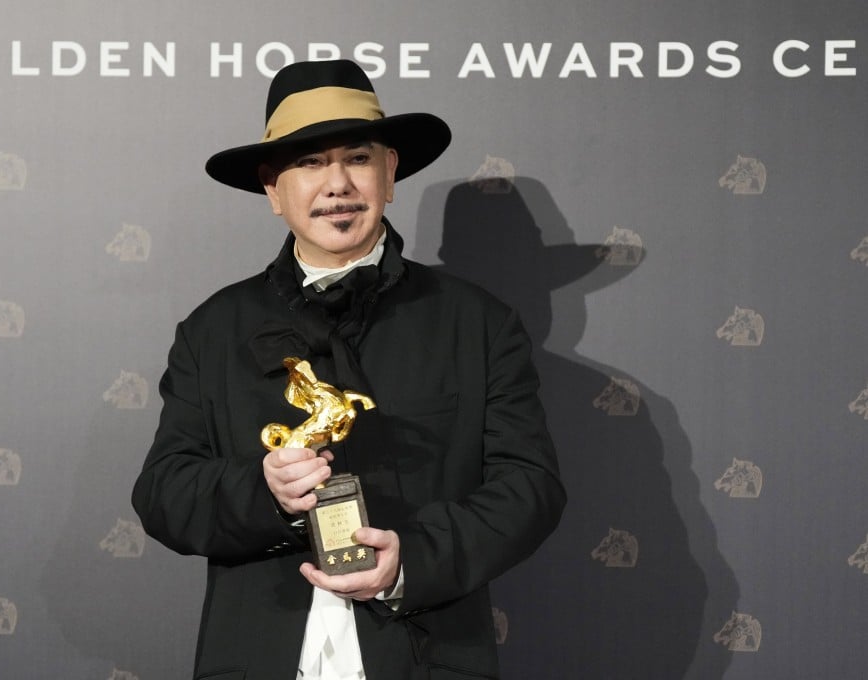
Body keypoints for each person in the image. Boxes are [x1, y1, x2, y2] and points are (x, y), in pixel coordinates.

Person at [132, 59, 566, 680]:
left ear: (390, 174)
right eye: (308, 163)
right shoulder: (212, 330)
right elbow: (164, 493)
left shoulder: (479, 323)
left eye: (358, 158)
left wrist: (413, 559)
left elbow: (530, 488)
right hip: (256, 655)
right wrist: (267, 493)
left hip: (426, 653)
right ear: (272, 189)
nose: (336, 183)